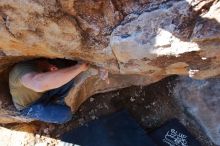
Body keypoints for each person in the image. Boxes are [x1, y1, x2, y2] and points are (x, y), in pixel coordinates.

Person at [9, 59, 89, 124]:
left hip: (44, 94)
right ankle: (56, 110)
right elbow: (38, 84)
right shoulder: (22, 70)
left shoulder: (45, 65)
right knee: (66, 115)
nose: (54, 68)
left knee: (68, 77)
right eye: (51, 66)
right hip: (30, 106)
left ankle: (56, 102)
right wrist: (79, 68)